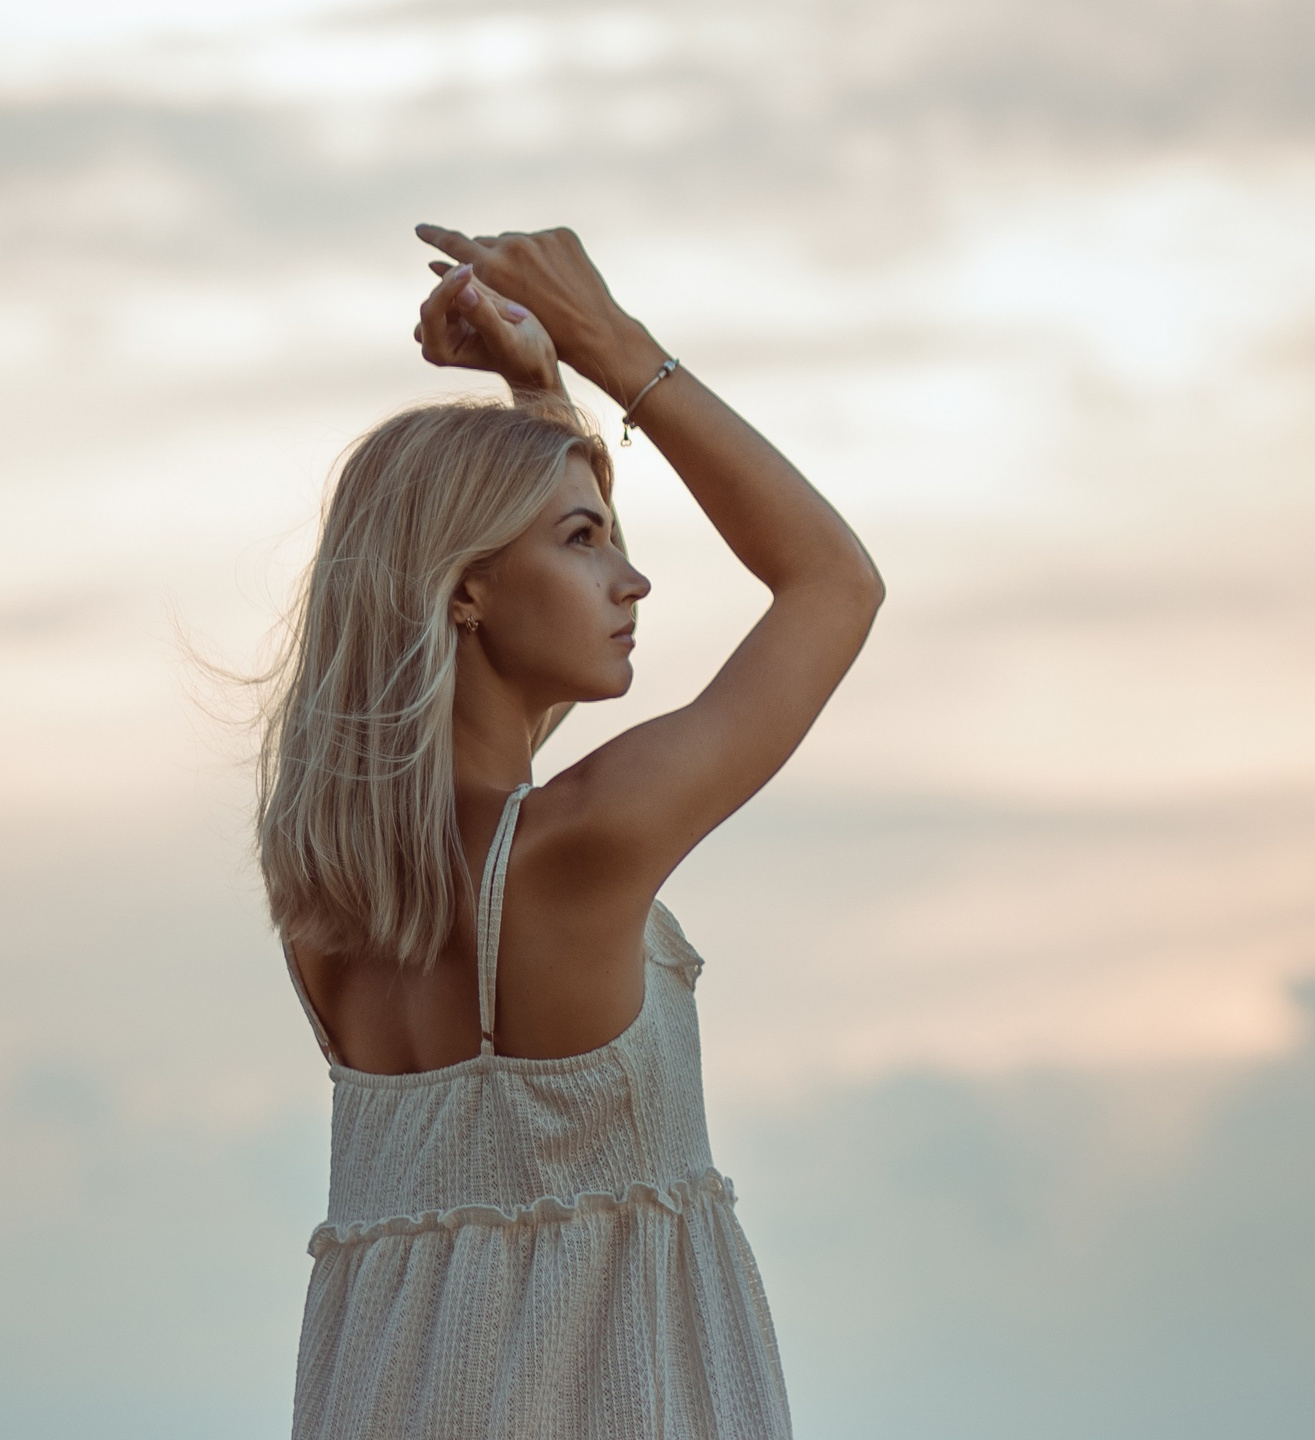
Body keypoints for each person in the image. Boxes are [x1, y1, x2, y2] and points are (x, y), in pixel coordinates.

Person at [260, 224, 883, 1439]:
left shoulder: (330, 906)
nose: (634, 581)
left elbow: (510, 1230)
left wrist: (535, 398)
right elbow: (832, 582)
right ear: (464, 592)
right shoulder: (579, 846)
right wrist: (610, 343)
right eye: (586, 542)